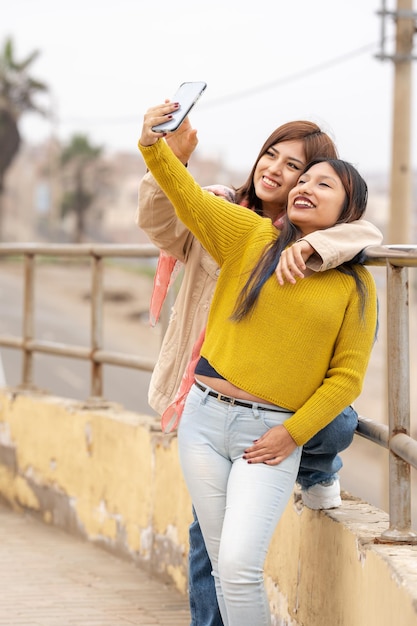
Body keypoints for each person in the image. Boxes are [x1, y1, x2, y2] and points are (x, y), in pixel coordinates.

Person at [137, 112, 382, 626]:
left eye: (319, 179)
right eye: (299, 176)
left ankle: (321, 468)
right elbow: (184, 198)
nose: (299, 183)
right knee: (219, 561)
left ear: (347, 207)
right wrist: (157, 147)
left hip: (268, 431)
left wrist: (291, 434)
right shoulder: (247, 230)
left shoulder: (354, 286)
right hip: (202, 418)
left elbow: (346, 379)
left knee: (239, 566)